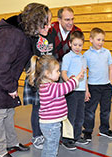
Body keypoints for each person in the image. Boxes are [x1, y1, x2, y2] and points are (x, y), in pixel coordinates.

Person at [0, 3, 51, 157]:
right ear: (37, 22)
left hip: (3, 74)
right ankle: (0, 150)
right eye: (47, 23)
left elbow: (21, 57)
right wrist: (10, 87)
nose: (50, 26)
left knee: (9, 110)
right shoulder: (12, 35)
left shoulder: (26, 32)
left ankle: (11, 142)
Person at [23, 6, 81, 149]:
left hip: (50, 74)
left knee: (48, 106)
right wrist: (33, 72)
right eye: (47, 23)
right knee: (37, 107)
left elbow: (55, 52)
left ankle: (48, 132)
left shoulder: (51, 33)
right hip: (37, 75)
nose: (49, 26)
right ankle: (37, 136)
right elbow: (25, 56)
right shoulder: (31, 36)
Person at [27, 55, 84, 157]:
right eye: (57, 71)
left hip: (49, 124)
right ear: (47, 73)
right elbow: (66, 88)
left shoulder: (46, 86)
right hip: (51, 125)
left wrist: (72, 79)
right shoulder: (50, 88)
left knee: (48, 145)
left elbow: (62, 87)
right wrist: (77, 78)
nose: (59, 73)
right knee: (52, 147)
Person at [83, 27, 112, 142]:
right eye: (98, 39)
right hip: (93, 86)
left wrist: (110, 83)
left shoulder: (107, 52)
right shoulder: (86, 55)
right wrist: (86, 90)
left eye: (103, 40)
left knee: (106, 110)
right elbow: (84, 73)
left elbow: (110, 68)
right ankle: (87, 130)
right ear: (91, 39)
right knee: (90, 111)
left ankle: (104, 129)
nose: (101, 42)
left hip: (106, 86)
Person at [61, 31, 88, 150]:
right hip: (71, 91)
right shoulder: (67, 57)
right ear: (70, 44)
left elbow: (85, 76)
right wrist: (68, 82)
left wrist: (87, 90)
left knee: (80, 115)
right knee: (70, 116)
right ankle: (67, 139)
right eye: (75, 44)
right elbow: (63, 73)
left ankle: (76, 136)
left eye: (80, 45)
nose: (77, 47)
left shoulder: (83, 58)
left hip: (81, 91)